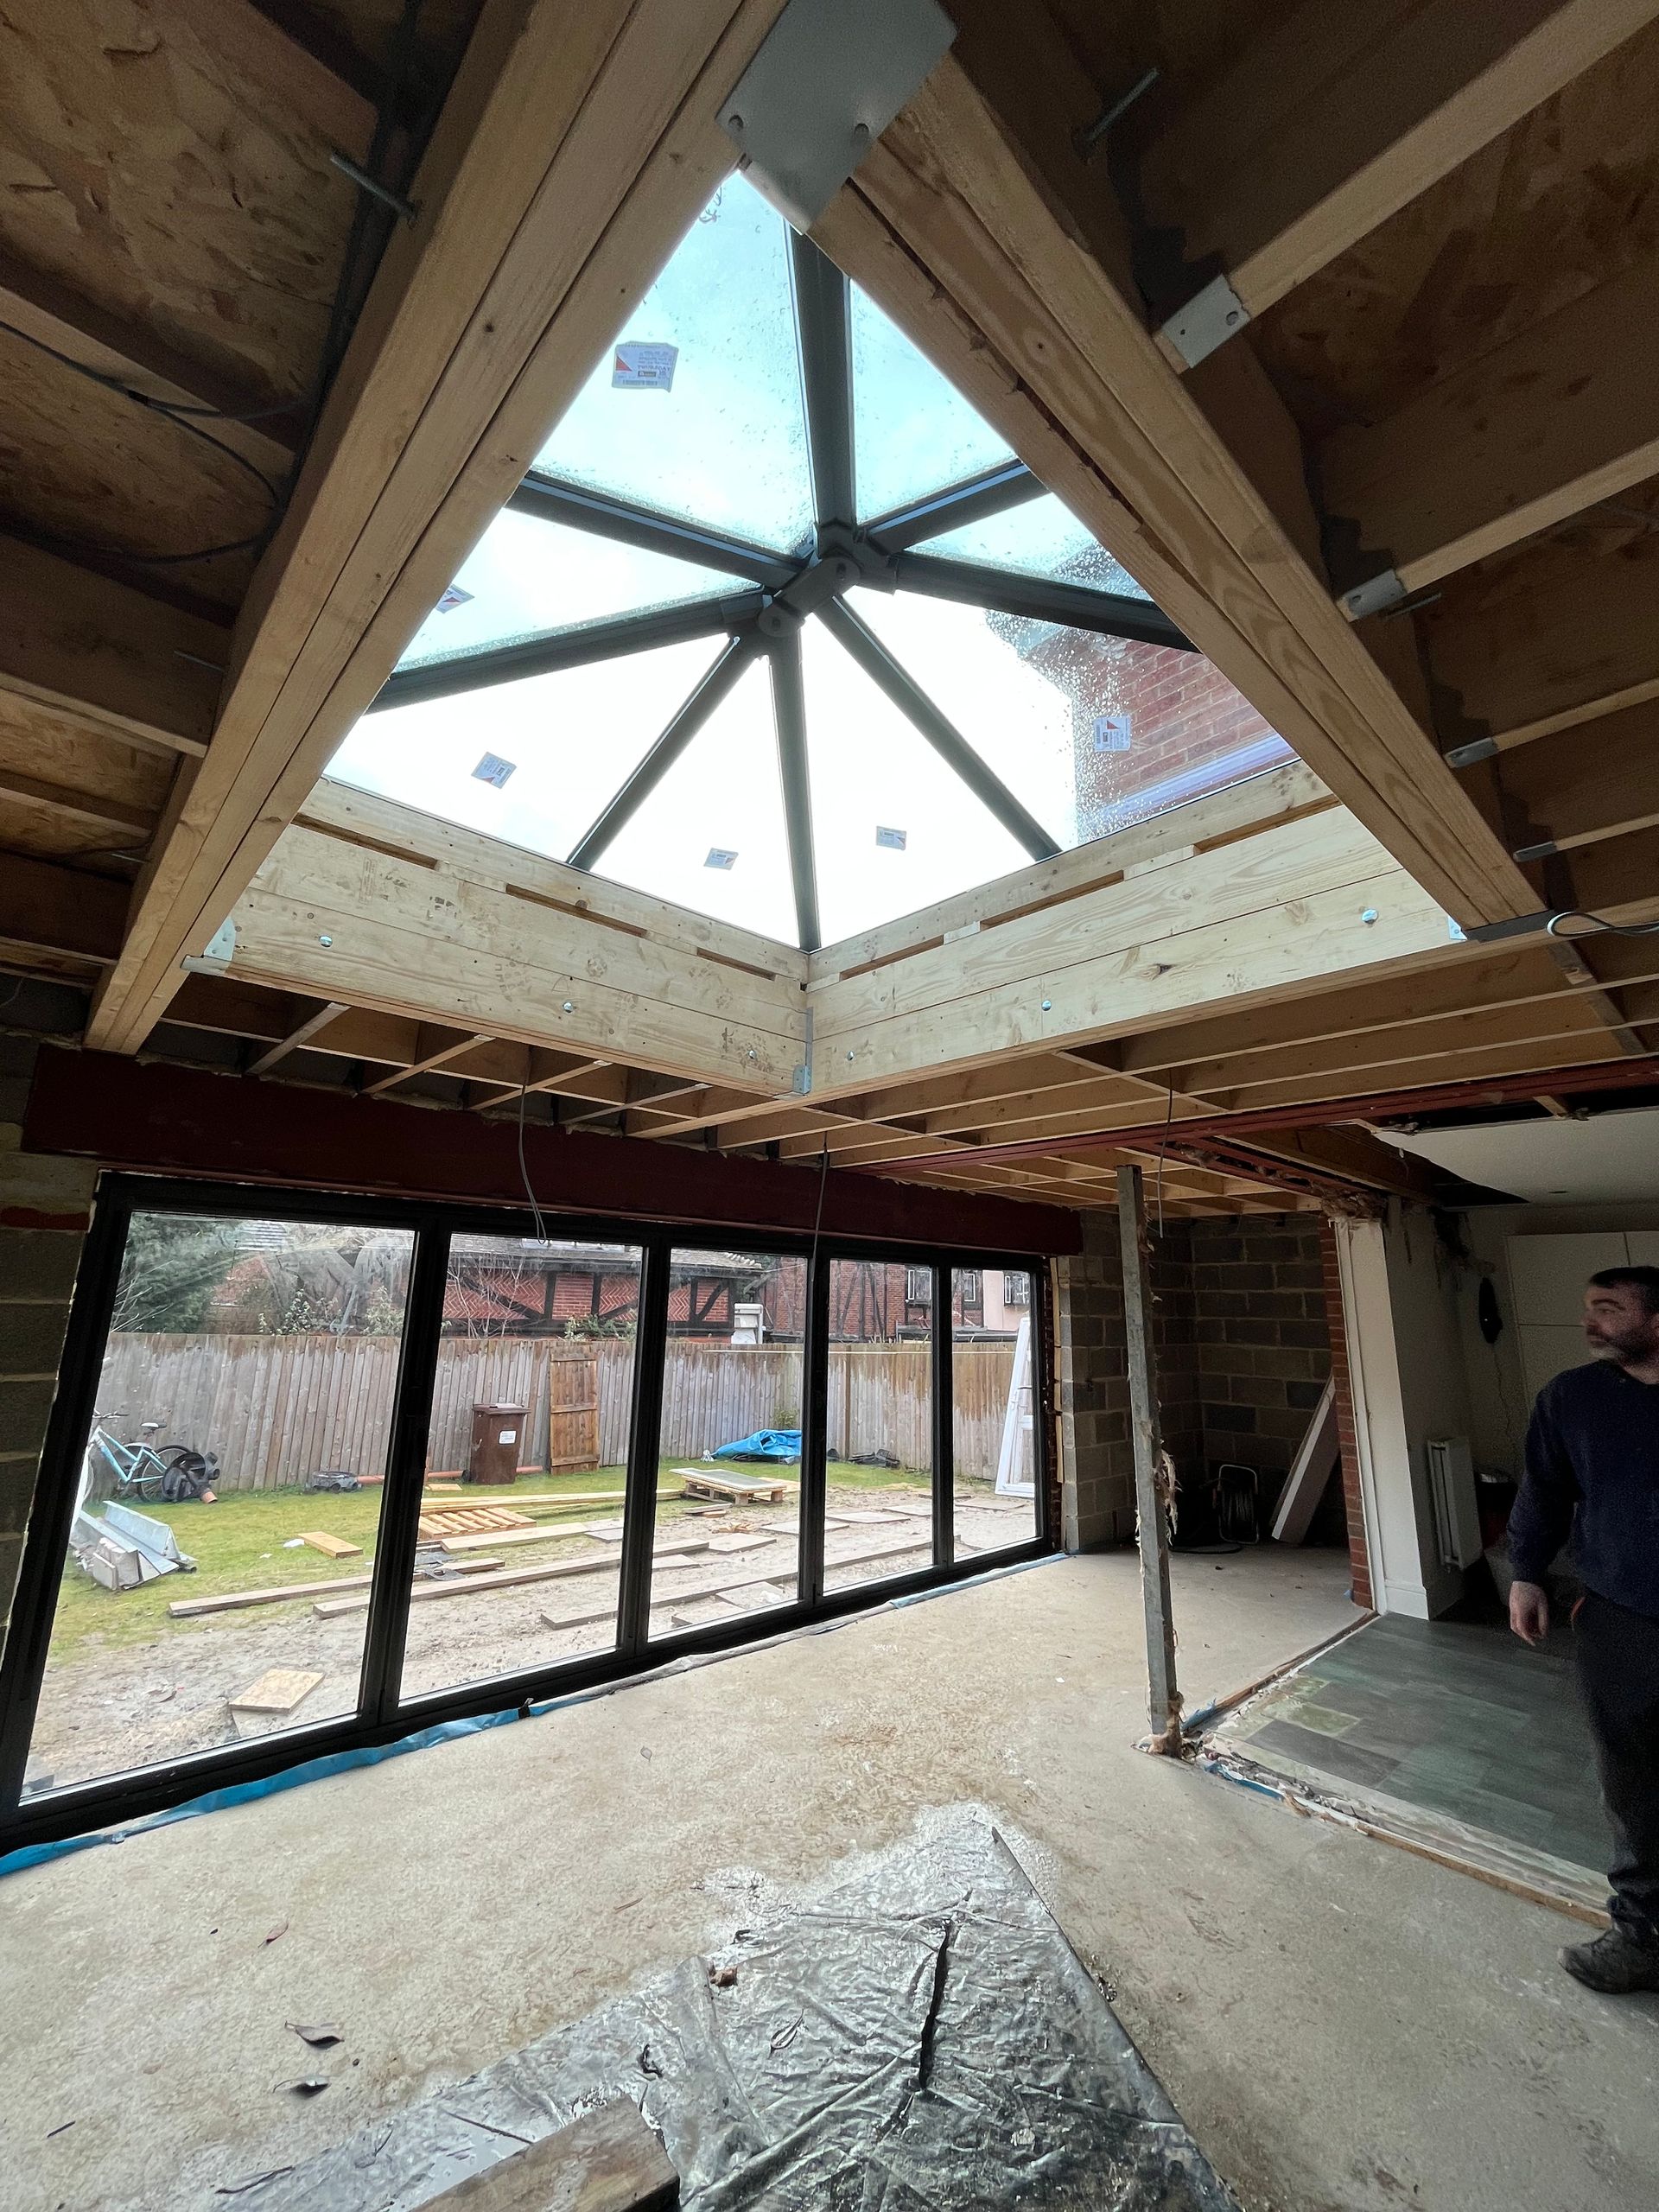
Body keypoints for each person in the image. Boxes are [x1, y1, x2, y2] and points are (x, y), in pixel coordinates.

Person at [1509, 1265, 1659, 1993]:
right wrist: (1527, 1572)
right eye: (1589, 1308)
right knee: (1632, 1784)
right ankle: (1643, 1935)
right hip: (1621, 1622)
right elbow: (1543, 1490)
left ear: (1656, 1321)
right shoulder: (1571, 1398)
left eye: (1608, 1309)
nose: (1590, 1322)